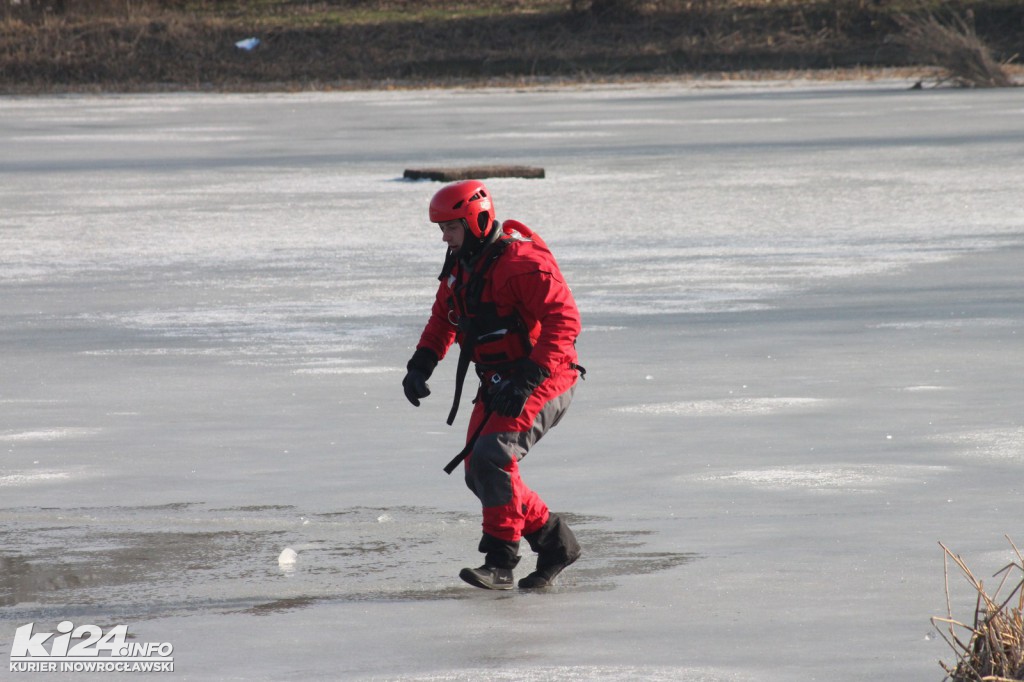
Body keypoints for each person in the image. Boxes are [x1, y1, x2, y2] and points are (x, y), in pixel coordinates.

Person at [402, 179, 584, 590]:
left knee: (492, 455)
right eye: (441, 229)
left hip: (546, 375)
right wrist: (421, 364)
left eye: (450, 228)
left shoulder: (521, 263)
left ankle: (501, 561)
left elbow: (565, 322)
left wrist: (527, 380)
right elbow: (443, 319)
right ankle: (555, 544)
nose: (444, 237)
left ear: (476, 220)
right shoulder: (460, 266)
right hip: (499, 381)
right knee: (479, 472)